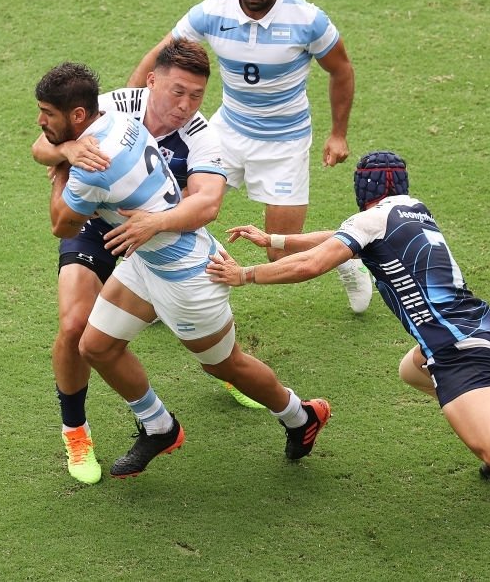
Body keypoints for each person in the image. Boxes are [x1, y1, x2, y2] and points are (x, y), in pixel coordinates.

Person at [207, 151, 490, 526]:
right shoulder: (411, 209)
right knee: (411, 370)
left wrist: (245, 275)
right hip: (480, 327)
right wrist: (275, 239)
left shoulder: (369, 221)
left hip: (454, 348)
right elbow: (338, 239)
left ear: (362, 187)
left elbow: (314, 263)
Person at [35, 60, 331, 480]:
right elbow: (44, 147)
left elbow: (61, 226)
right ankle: (160, 427)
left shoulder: (93, 166)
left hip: (188, 278)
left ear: (78, 116)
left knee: (226, 365)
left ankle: (301, 415)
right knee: (96, 346)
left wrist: (63, 169)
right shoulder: (119, 120)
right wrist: (65, 149)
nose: (40, 122)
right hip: (146, 261)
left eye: (47, 114)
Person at [128, 0, 373, 314]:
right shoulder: (213, 11)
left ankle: (345, 255)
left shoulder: (308, 20)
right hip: (225, 134)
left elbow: (341, 70)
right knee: (171, 212)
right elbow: (159, 56)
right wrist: (128, 118)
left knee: (279, 250)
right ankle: (158, 295)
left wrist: (338, 133)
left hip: (285, 144)